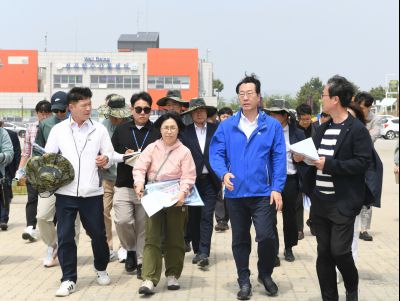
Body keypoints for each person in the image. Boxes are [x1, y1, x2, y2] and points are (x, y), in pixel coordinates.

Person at [210, 74, 286, 299]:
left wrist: (277, 187)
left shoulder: (271, 126)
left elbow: (279, 158)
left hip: (263, 193)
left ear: (259, 96)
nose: (245, 98)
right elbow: (216, 153)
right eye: (241, 94)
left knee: (266, 236)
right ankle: (243, 279)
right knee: (240, 239)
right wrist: (223, 173)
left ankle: (265, 273)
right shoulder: (227, 126)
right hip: (236, 193)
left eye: (249, 93)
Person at [296, 75, 372, 301]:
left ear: (336, 99)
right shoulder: (322, 128)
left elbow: (362, 163)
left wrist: (329, 164)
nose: (321, 99)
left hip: (343, 203)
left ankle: (351, 288)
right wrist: (303, 158)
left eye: (324, 95)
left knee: (340, 251)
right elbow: (314, 157)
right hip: (321, 202)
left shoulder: (356, 129)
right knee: (324, 253)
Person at [45, 87, 113, 297]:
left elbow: (109, 153)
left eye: (89, 104)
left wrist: (106, 159)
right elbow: (48, 157)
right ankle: (68, 279)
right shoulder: (59, 130)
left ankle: (100, 268)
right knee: (65, 236)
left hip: (91, 194)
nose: (88, 108)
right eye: (84, 105)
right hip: (65, 194)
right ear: (71, 107)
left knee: (98, 236)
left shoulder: (99, 129)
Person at [133, 112, 196, 295]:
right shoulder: (152, 148)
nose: (169, 131)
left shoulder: (184, 151)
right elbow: (140, 168)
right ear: (160, 129)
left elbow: (189, 175)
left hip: (176, 197)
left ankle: (173, 275)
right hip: (154, 195)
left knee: (175, 237)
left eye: (173, 128)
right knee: (152, 237)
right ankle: (149, 278)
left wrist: (183, 192)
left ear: (178, 130)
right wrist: (139, 183)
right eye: (166, 127)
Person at [111, 92, 160, 278]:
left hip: (148, 187)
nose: (142, 113)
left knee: (143, 227)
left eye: (146, 110)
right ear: (131, 109)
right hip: (124, 184)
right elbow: (111, 153)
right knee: (123, 221)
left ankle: (140, 262)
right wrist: (126, 156)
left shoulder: (156, 131)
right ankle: (129, 248)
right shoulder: (122, 129)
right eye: (138, 109)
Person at [35, 91, 80, 268]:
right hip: (50, 179)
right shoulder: (45, 124)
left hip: (73, 179)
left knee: (73, 221)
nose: (60, 114)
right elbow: (38, 152)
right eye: (56, 111)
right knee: (42, 216)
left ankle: (68, 252)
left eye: (62, 110)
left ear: (69, 107)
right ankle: (54, 245)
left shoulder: (79, 124)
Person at [264, 107, 307, 263]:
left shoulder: (298, 133)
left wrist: (301, 158)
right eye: (270, 114)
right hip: (271, 181)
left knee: (289, 216)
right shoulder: (266, 132)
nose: (272, 116)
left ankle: (289, 247)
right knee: (270, 217)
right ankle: (273, 251)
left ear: (285, 116)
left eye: (275, 114)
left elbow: (308, 157)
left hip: (290, 179)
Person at [181, 98, 220, 268]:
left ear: (206, 113)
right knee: (194, 218)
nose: (199, 113)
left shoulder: (216, 130)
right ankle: (197, 249)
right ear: (190, 114)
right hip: (192, 182)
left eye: (202, 110)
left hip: (211, 181)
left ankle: (204, 252)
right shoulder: (185, 132)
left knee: (207, 216)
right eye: (195, 111)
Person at [98, 94, 131, 262]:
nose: (112, 117)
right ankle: (108, 246)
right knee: (103, 211)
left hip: (125, 179)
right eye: (110, 114)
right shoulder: (103, 126)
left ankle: (124, 246)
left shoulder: (131, 126)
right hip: (107, 177)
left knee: (122, 216)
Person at [17, 100, 51, 241]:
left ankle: (49, 228)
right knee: (32, 198)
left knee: (48, 198)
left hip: (50, 170)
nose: (44, 116)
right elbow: (26, 152)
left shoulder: (54, 128)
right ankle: (31, 226)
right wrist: (20, 170)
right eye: (41, 113)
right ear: (37, 113)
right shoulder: (31, 128)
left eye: (46, 113)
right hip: (34, 168)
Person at [354, 92, 381, 242]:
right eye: (360, 106)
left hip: (369, 161)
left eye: (365, 107)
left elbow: (372, 137)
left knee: (369, 194)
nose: (362, 110)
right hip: (352, 161)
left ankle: (364, 229)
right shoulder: (350, 115)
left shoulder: (375, 119)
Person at [295, 103, 318, 239]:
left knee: (315, 199)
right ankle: (299, 229)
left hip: (312, 168)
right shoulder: (293, 130)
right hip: (297, 169)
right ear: (298, 118)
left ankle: (313, 223)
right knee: (297, 201)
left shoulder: (317, 129)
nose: (305, 122)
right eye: (303, 119)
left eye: (308, 119)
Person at [214, 107, 234, 232]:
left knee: (229, 194)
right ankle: (221, 220)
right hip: (219, 168)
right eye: (223, 116)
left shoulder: (236, 130)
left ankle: (228, 218)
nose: (225, 118)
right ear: (219, 118)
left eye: (228, 116)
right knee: (219, 194)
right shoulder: (216, 131)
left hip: (232, 168)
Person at [0, 121, 21, 230]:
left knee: (4, 194)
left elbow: (15, 153)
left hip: (5, 170)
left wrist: (16, 170)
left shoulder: (6, 134)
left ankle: (3, 219)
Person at [0, 127, 15, 230]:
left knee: (3, 198)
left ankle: (3, 219)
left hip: (1, 173)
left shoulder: (2, 133)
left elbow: (10, 154)